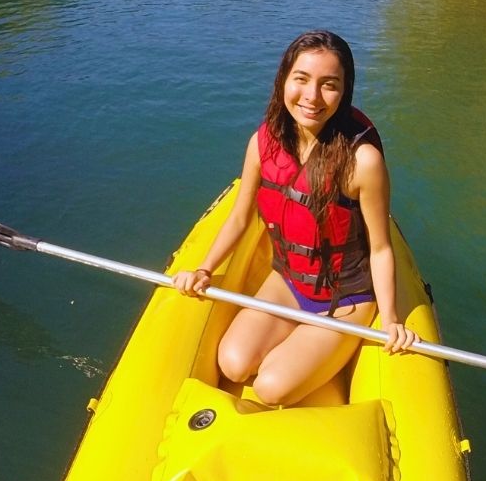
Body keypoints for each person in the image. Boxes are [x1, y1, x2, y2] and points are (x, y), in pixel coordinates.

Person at [171, 30, 417, 406]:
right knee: (233, 364)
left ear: (345, 90)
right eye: (301, 79)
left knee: (270, 387)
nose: (312, 97)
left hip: (345, 296)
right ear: (284, 79)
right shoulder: (263, 141)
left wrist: (392, 320)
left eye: (329, 85)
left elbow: (381, 249)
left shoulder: (362, 162)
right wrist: (204, 269)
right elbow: (240, 217)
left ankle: (329, 357)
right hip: (288, 279)